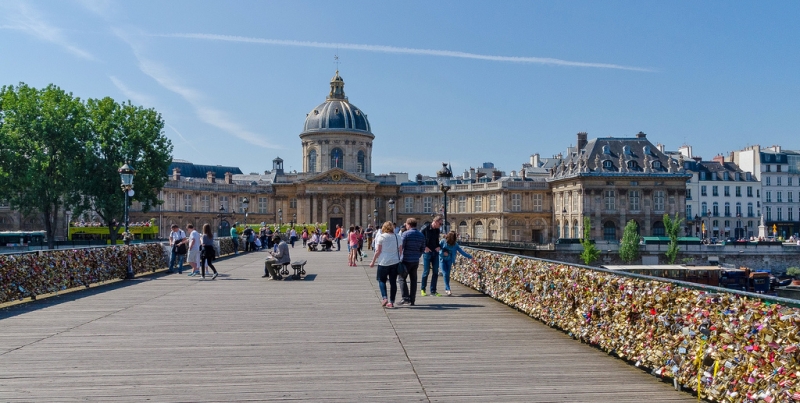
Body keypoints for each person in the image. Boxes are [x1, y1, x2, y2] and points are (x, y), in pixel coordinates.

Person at [369, 221, 402, 308]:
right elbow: (400, 250)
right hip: (395, 262)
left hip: (383, 262)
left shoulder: (381, 237)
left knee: (381, 280)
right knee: (393, 282)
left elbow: (378, 251)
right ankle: (391, 302)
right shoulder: (397, 236)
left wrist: (373, 261)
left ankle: (384, 297)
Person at [397, 218, 425, 306]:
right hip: (415, 260)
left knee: (401, 278)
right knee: (413, 280)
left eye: (406, 224)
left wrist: (399, 258)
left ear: (409, 224)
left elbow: (401, 247)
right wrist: (417, 255)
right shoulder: (421, 235)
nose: (405, 225)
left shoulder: (405, 234)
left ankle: (405, 298)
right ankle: (412, 300)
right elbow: (423, 248)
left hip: (406, 260)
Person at [439, 231, 475, 295]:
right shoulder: (443, 241)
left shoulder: (455, 245)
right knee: (445, 273)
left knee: (447, 274)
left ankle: (446, 289)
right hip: (442, 260)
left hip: (449, 260)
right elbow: (438, 249)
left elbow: (462, 252)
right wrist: (442, 253)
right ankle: (448, 289)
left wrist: (470, 257)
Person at [420, 215, 443, 297]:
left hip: (435, 252)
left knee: (435, 272)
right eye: (440, 224)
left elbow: (437, 240)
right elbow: (420, 239)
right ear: (435, 222)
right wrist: (424, 247)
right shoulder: (425, 228)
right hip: (427, 252)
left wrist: (439, 247)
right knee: (426, 271)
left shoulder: (437, 230)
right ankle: (423, 289)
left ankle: (433, 291)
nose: (440, 226)